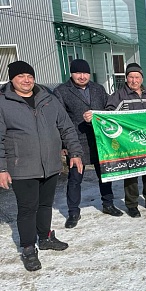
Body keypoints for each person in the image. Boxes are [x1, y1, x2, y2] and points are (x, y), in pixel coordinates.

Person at [0, 61, 83, 271]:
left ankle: (45, 237)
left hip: (50, 164)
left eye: (29, 76)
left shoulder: (48, 99)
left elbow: (66, 127)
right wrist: (2, 169)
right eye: (21, 76)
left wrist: (75, 153)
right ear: (12, 79)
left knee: (45, 205)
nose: (26, 80)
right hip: (22, 166)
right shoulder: (3, 103)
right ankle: (28, 248)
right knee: (27, 209)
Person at [53, 59, 123, 228]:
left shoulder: (98, 89)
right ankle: (73, 212)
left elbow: (109, 109)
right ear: (72, 74)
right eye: (78, 73)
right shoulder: (61, 91)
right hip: (76, 142)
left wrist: (99, 115)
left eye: (85, 73)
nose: (82, 76)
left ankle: (108, 204)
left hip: (100, 140)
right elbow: (59, 120)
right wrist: (64, 145)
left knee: (105, 175)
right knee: (75, 179)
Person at [103, 62, 146, 218]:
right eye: (131, 77)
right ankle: (132, 205)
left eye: (137, 77)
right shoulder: (118, 96)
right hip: (128, 144)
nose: (134, 80)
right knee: (131, 175)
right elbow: (109, 116)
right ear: (126, 78)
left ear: (142, 78)